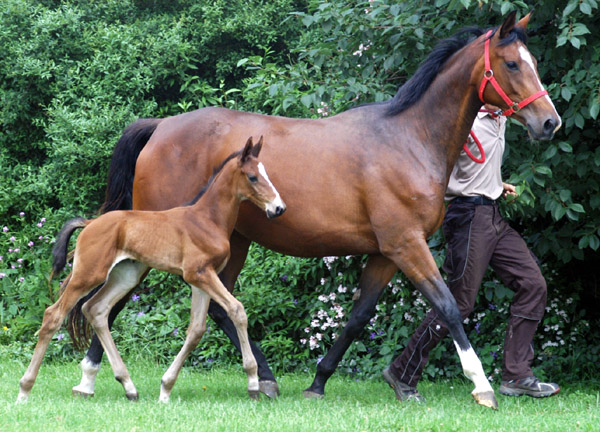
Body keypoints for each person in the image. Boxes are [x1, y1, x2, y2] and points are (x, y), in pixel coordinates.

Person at [382, 105, 560, 401]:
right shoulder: (462, 120)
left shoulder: (500, 118)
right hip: (467, 217)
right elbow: (437, 164)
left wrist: (494, 184)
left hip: (492, 214)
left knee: (533, 284)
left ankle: (517, 375)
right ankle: (403, 371)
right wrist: (461, 189)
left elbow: (479, 162)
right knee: (458, 303)